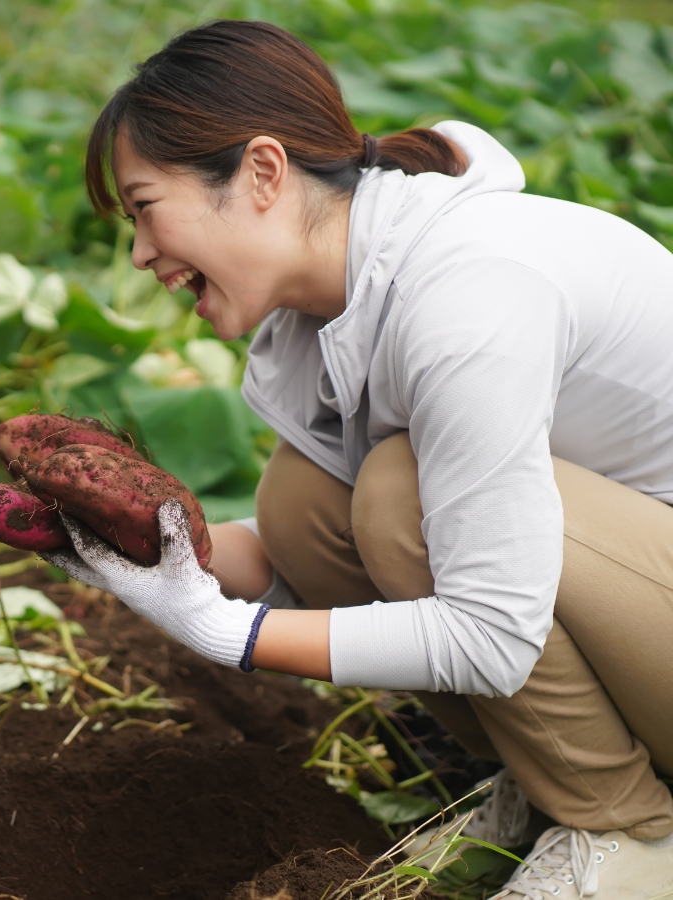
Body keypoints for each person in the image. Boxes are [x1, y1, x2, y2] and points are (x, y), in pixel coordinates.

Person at [54, 19, 673, 899]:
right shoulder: (331, 313)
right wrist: (137, 541)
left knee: (396, 493)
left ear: (263, 173)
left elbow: (492, 635)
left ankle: (629, 827)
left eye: (146, 208)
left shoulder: (468, 292)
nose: (142, 252)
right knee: (306, 503)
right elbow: (298, 559)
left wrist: (229, 635)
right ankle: (553, 786)